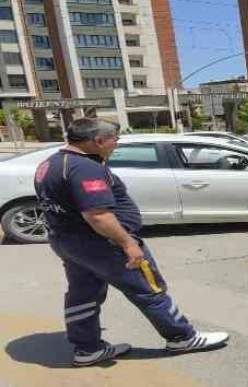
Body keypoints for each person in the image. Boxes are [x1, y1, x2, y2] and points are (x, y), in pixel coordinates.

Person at [34, 118, 229, 367]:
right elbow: (97, 215)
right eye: (115, 140)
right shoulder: (84, 168)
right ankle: (182, 337)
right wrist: (127, 243)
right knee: (149, 289)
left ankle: (87, 349)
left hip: (69, 242)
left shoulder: (50, 163)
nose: (117, 144)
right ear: (98, 140)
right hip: (102, 245)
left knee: (83, 294)